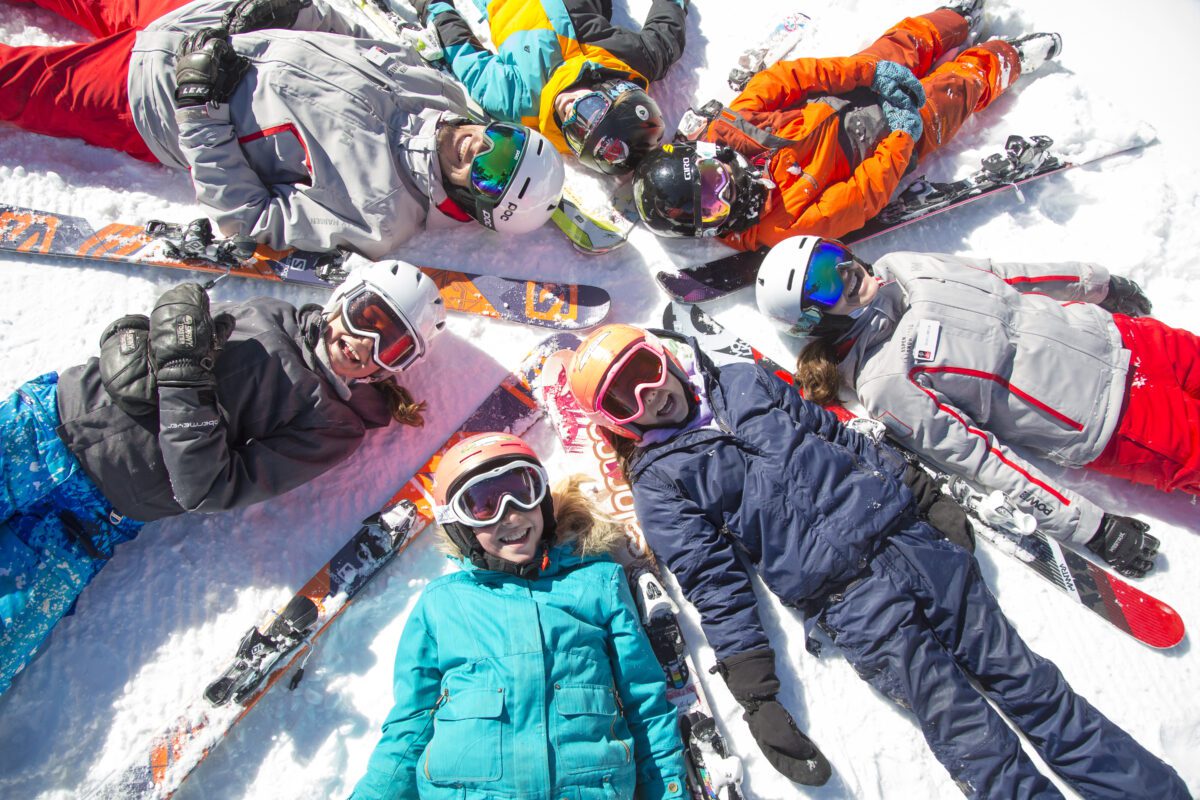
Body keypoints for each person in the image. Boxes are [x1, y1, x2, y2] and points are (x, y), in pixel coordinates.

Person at [564, 322, 1190, 796]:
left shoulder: (743, 382)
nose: (650, 397)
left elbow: (839, 434)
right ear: (618, 424)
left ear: (666, 356)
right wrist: (757, 696)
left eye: (645, 371)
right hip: (853, 605)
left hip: (914, 543)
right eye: (625, 400)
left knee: (1032, 685)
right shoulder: (661, 484)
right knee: (969, 732)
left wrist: (921, 491)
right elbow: (713, 583)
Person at [0, 260, 446, 696]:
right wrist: (135, 337)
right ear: (341, 298)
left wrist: (183, 383)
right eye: (366, 317)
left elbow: (209, 487)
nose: (365, 344)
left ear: (394, 367)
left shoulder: (332, 426)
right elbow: (172, 347)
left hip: (83, 526)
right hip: (43, 423)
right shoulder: (268, 312)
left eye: (390, 347)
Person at [757, 236, 1188, 580]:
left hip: (1129, 338)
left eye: (833, 256)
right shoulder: (887, 379)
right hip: (1117, 419)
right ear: (814, 320)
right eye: (825, 284)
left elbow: (1006, 277)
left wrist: (1097, 284)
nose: (846, 272)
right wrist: (1089, 527)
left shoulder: (905, 265)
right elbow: (982, 459)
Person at [0, 0, 565, 256]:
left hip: (152, 93)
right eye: (506, 140)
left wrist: (199, 108)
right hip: (205, 16)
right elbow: (349, 34)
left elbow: (250, 219)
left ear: (474, 202)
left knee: (13, 81)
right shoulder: (443, 92)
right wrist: (288, 13)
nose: (482, 145)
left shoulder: (380, 218)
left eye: (491, 172)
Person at [349, 432, 688, 799]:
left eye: (520, 492)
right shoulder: (442, 603)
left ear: (541, 500)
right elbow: (411, 722)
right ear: (460, 526)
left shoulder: (597, 584)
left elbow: (643, 701)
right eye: (483, 505)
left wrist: (668, 788)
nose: (509, 514)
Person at [630, 1, 1062, 249]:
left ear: (704, 155)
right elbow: (863, 196)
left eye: (712, 178)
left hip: (842, 94)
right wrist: (901, 133)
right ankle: (1007, 59)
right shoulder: (779, 226)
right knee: (953, 92)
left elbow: (793, 77)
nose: (725, 188)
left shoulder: (726, 128)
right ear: (709, 226)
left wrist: (865, 75)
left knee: (898, 47)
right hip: (881, 145)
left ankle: (957, 18)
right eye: (713, 205)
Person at [414, 0, 688, 174]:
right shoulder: (635, 60)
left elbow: (461, 50)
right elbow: (667, 29)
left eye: (577, 133)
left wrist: (432, 5)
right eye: (588, 110)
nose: (569, 114)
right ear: (614, 90)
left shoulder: (518, 100)